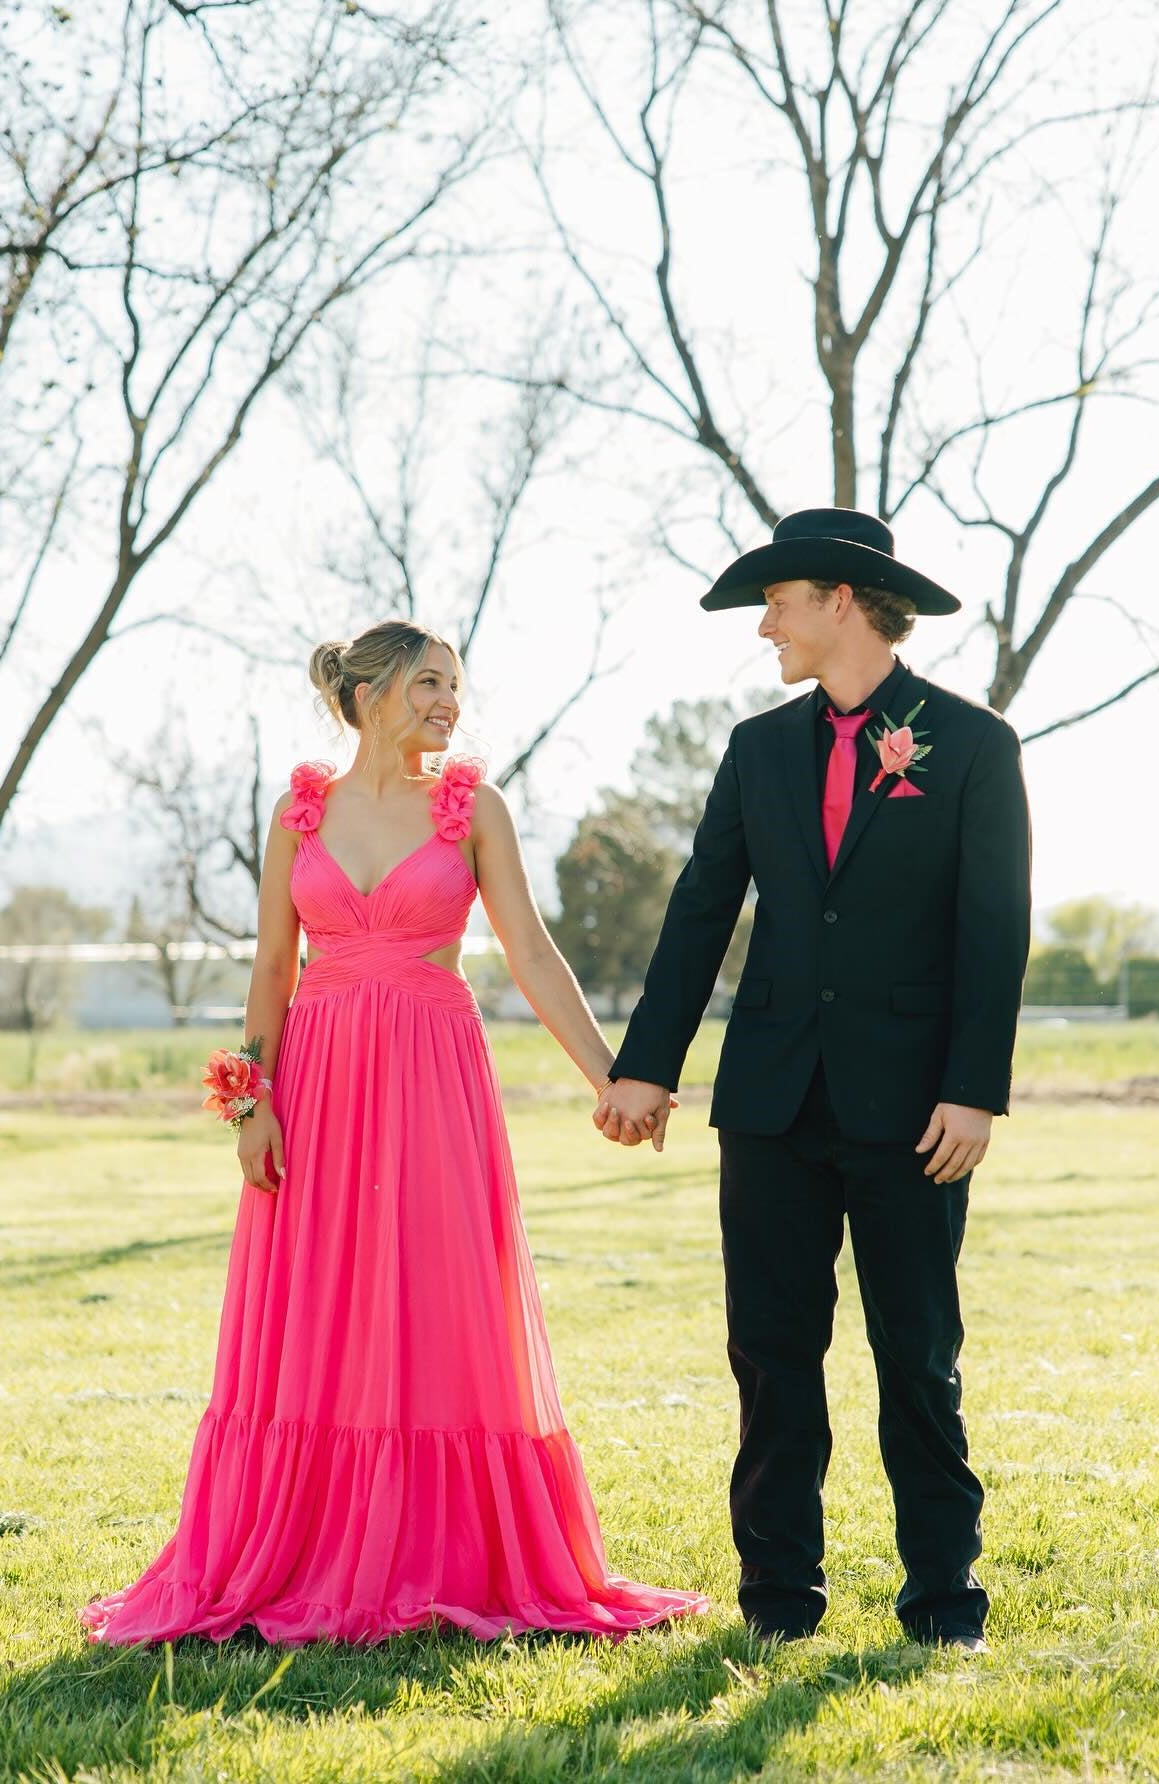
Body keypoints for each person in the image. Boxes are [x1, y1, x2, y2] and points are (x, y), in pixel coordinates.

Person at [82, 620, 704, 1645]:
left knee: (436, 1294)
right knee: (320, 1304)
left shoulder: (473, 810)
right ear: (366, 695)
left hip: (430, 1080)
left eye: (454, 687)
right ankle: (302, 1541)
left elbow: (534, 955)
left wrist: (616, 1077)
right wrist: (252, 1105)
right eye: (426, 684)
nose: (446, 704)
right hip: (318, 1086)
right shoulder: (300, 813)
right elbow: (271, 972)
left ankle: (441, 1547)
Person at [596, 508, 1031, 1653]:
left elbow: (995, 932)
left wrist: (974, 1088)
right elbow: (701, 913)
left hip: (918, 1114)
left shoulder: (974, 744)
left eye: (776, 604)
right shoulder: (758, 750)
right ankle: (778, 1605)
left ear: (842, 598)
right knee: (772, 1358)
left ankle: (945, 1602)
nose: (765, 629)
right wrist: (647, 1065)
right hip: (772, 1107)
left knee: (917, 1355)